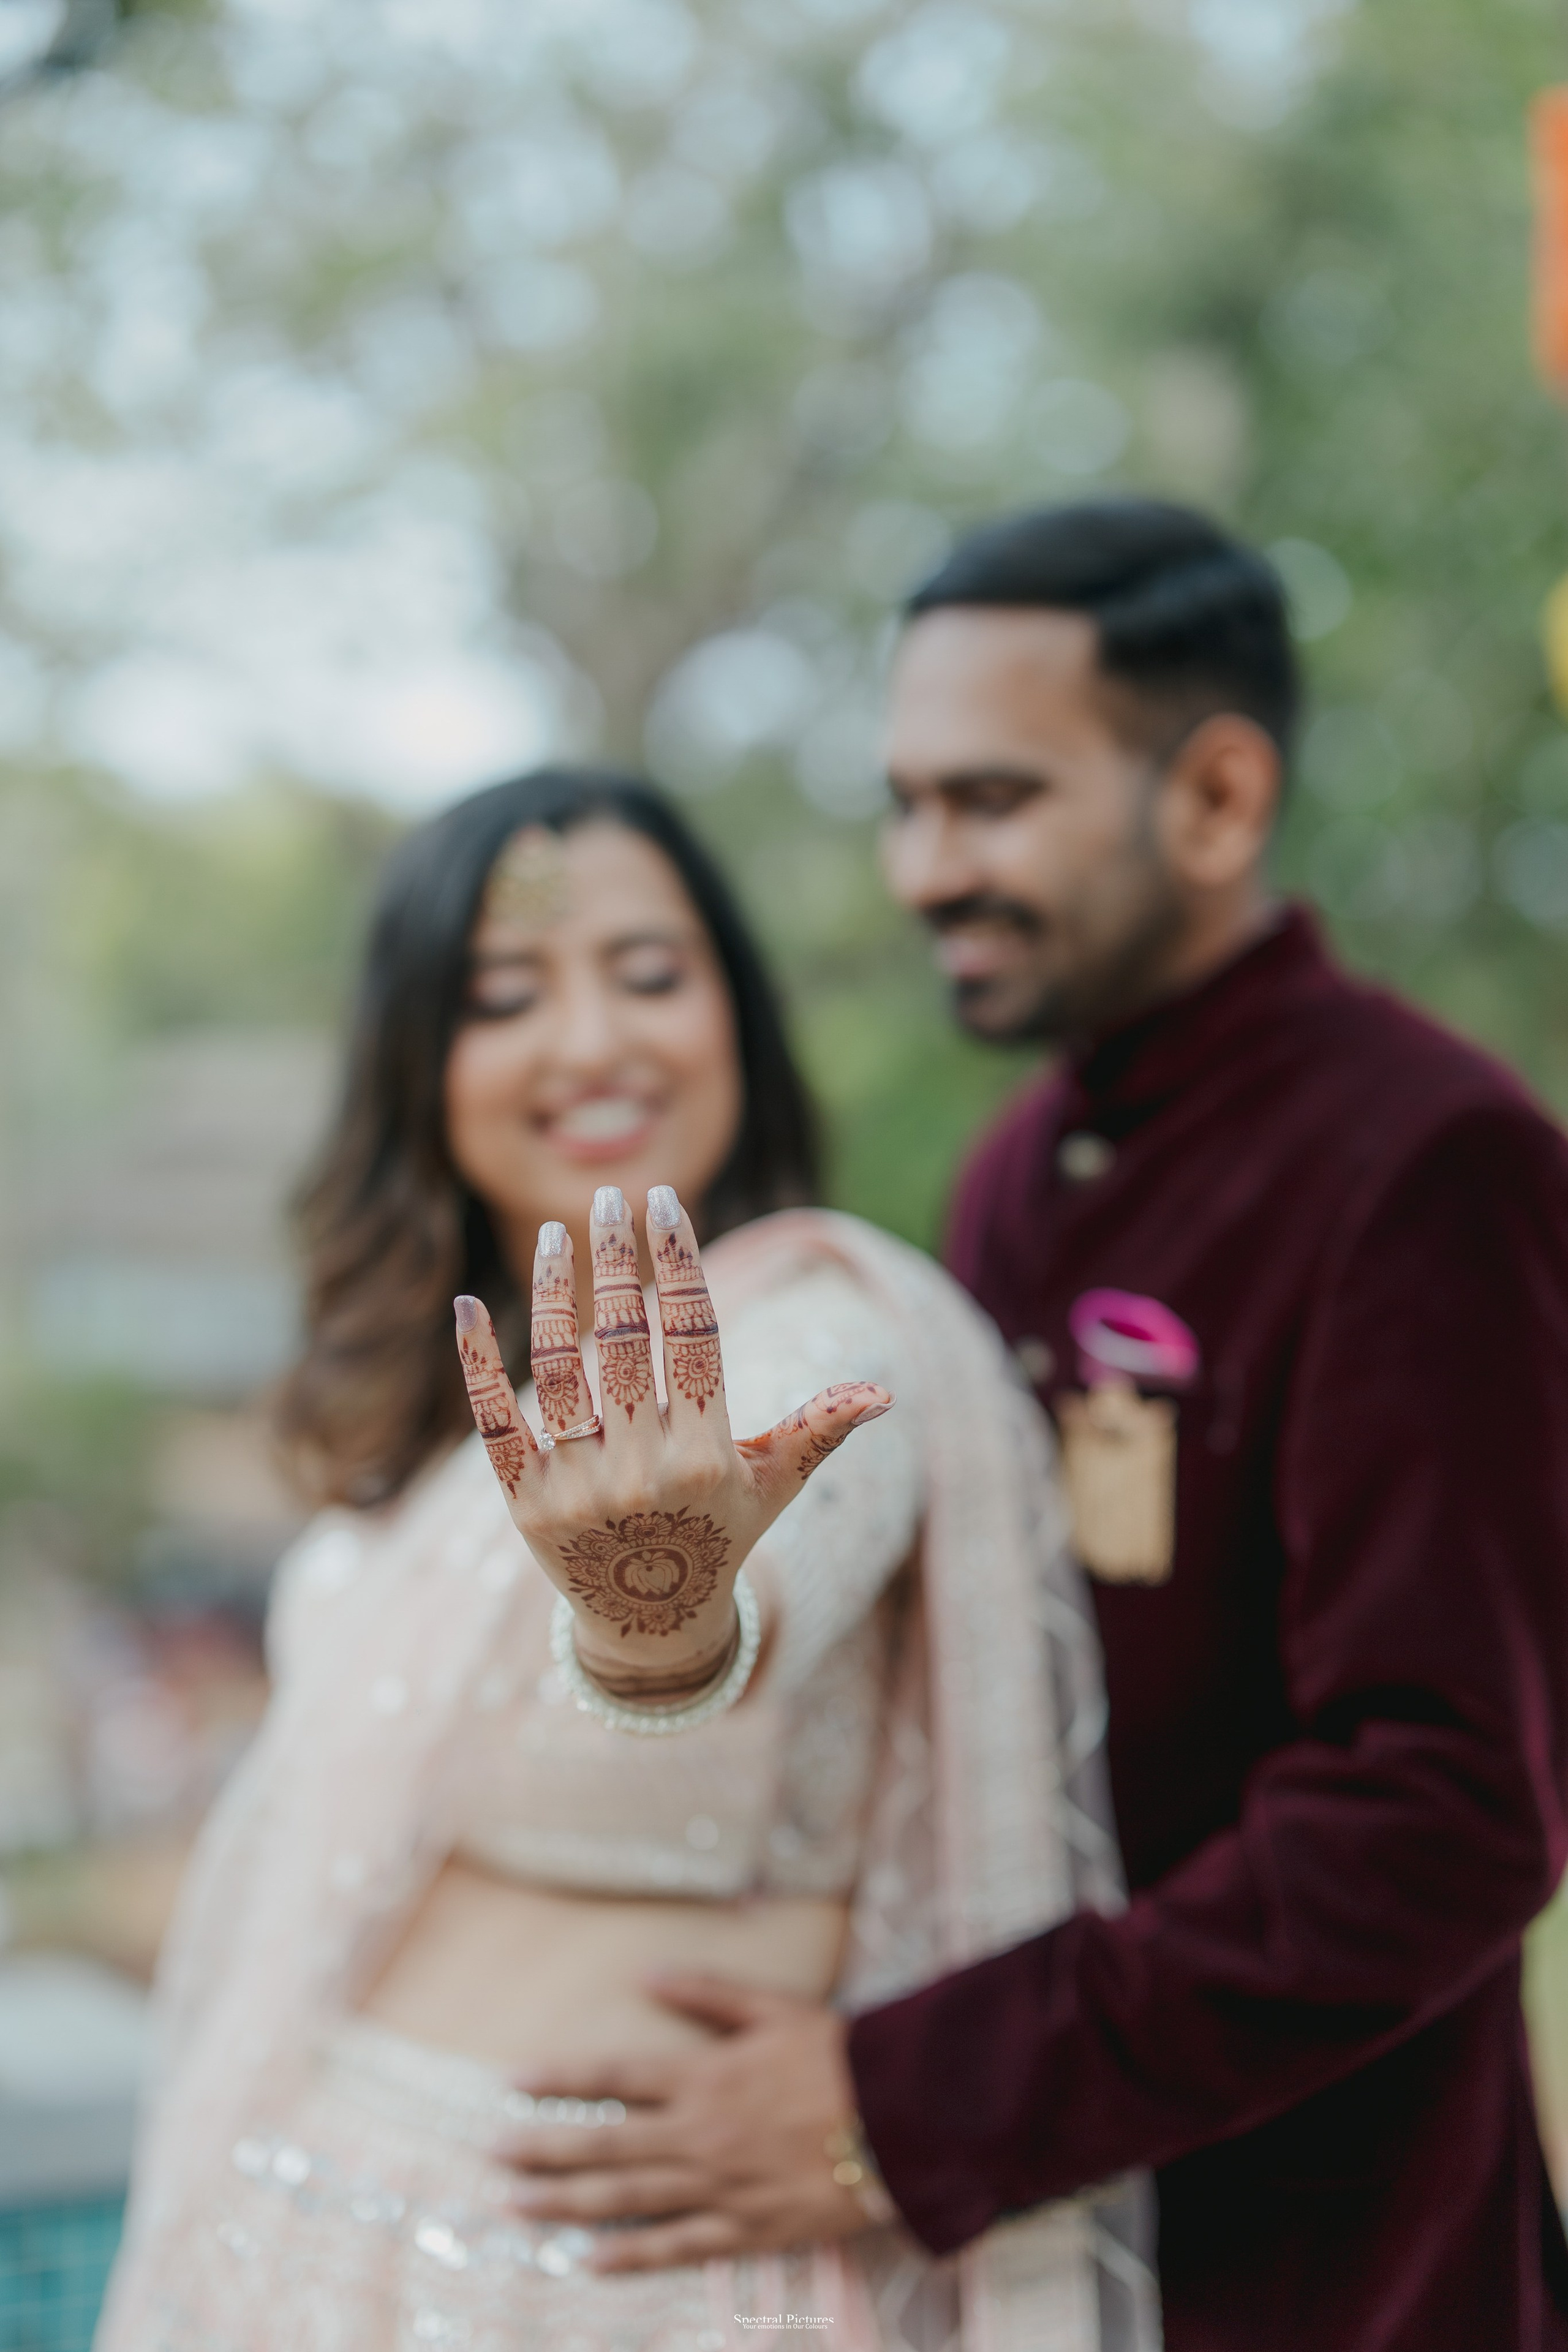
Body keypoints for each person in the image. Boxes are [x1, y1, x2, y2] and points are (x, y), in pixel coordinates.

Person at [505, 502, 1568, 2352]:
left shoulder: (1432, 1162)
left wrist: (899, 2104)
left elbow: (1448, 1812)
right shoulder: (1019, 1177)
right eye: (905, 803)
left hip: (1337, 2267)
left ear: (1219, 799)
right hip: (1045, 2251)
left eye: (990, 803)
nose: (924, 869)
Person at [96, 767, 1158, 2352]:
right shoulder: (439, 1427)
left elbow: (742, 1607)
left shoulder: (819, 1335)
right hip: (297, 2248)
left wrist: (657, 1615)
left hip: (609, 2296)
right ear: (420, 1061)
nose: (592, 1041)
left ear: (736, 1013)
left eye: (651, 975)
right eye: (507, 995)